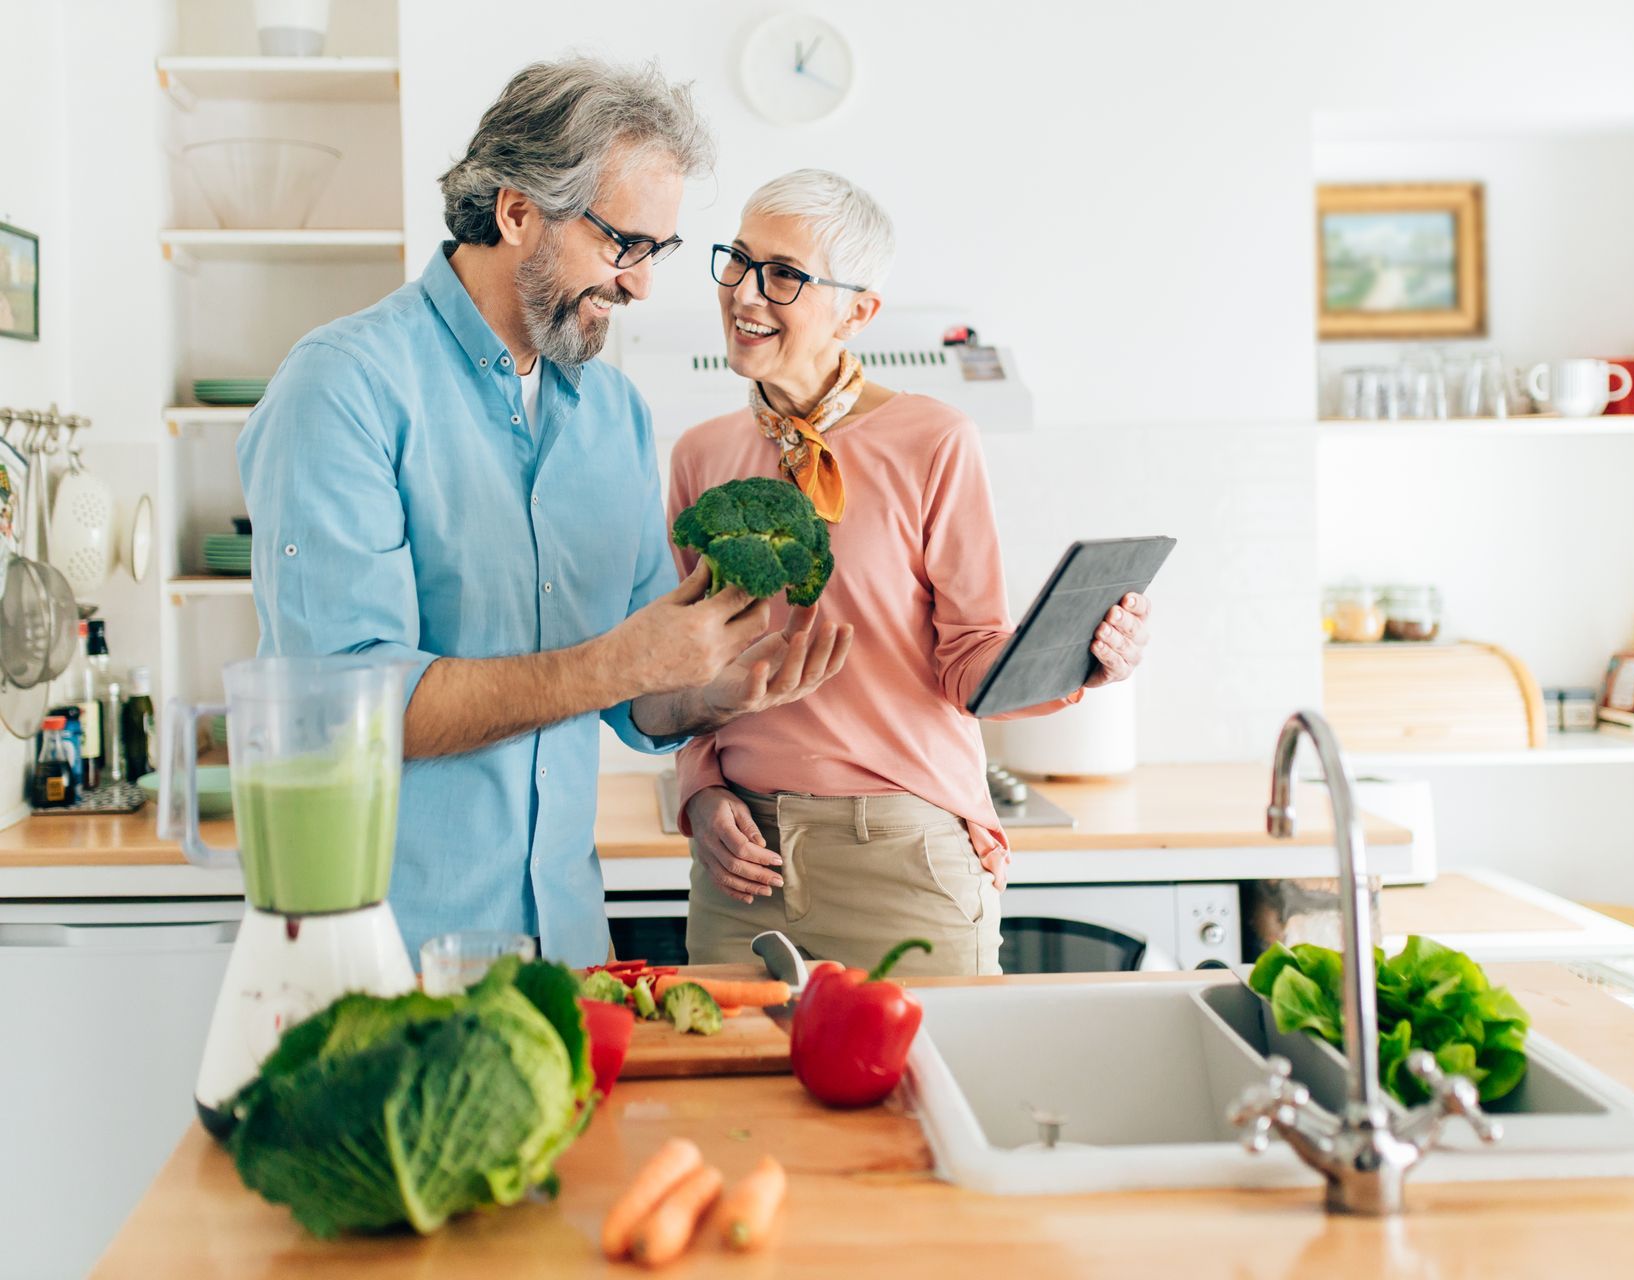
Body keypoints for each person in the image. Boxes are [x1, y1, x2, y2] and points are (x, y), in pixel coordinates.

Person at [238, 61, 852, 967]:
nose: (641, 287)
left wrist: (714, 690)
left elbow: (636, 691)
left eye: (659, 253)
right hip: (384, 951)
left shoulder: (612, 414)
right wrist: (619, 662)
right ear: (518, 212)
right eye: (623, 246)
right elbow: (355, 711)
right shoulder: (345, 388)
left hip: (566, 948)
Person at [669, 170, 1151, 978]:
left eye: (784, 274)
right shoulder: (701, 456)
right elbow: (688, 673)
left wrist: (1085, 658)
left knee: (933, 1100)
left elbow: (968, 665)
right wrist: (699, 792)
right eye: (739, 261)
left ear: (858, 311)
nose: (746, 293)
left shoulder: (934, 441)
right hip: (743, 872)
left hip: (900, 860)